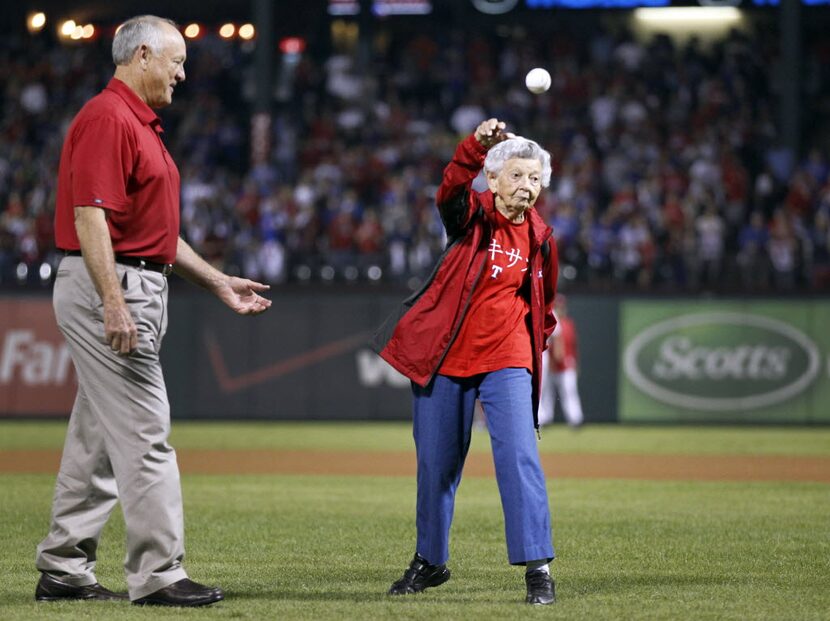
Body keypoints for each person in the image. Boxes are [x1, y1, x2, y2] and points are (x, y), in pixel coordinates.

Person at [35, 16, 272, 608]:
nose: (182, 74)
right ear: (143, 55)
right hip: (110, 285)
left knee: (96, 436)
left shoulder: (135, 122)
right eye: (177, 61)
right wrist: (113, 302)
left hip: (130, 279)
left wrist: (217, 282)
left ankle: (64, 567)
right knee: (145, 431)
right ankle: (160, 574)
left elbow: (154, 233)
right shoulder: (108, 117)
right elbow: (91, 216)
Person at [372, 118, 559, 605]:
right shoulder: (470, 216)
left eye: (535, 178)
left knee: (519, 457)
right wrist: (475, 146)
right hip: (446, 357)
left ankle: (537, 567)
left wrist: (533, 342)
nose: (526, 186)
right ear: (492, 180)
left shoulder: (541, 238)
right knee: (436, 464)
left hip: (507, 357)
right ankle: (430, 561)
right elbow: (450, 188)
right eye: (516, 175)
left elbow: (546, 302)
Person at [539, 294, 584, 427]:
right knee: (546, 393)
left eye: (561, 306)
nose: (560, 308)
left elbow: (573, 345)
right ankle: (544, 418)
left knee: (569, 392)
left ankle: (575, 419)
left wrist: (574, 362)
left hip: (566, 365)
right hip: (550, 365)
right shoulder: (552, 319)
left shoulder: (568, 323)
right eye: (557, 306)